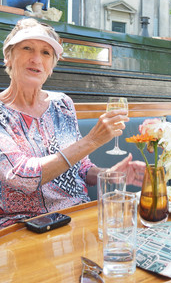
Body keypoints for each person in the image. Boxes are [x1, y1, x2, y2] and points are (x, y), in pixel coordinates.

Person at [0, 18, 145, 228]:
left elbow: (81, 167)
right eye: (27, 48)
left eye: (46, 53)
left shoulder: (63, 104)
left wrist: (109, 175)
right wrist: (93, 140)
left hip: (76, 215)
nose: (36, 59)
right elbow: (23, 177)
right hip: (23, 226)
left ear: (51, 67)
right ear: (8, 58)